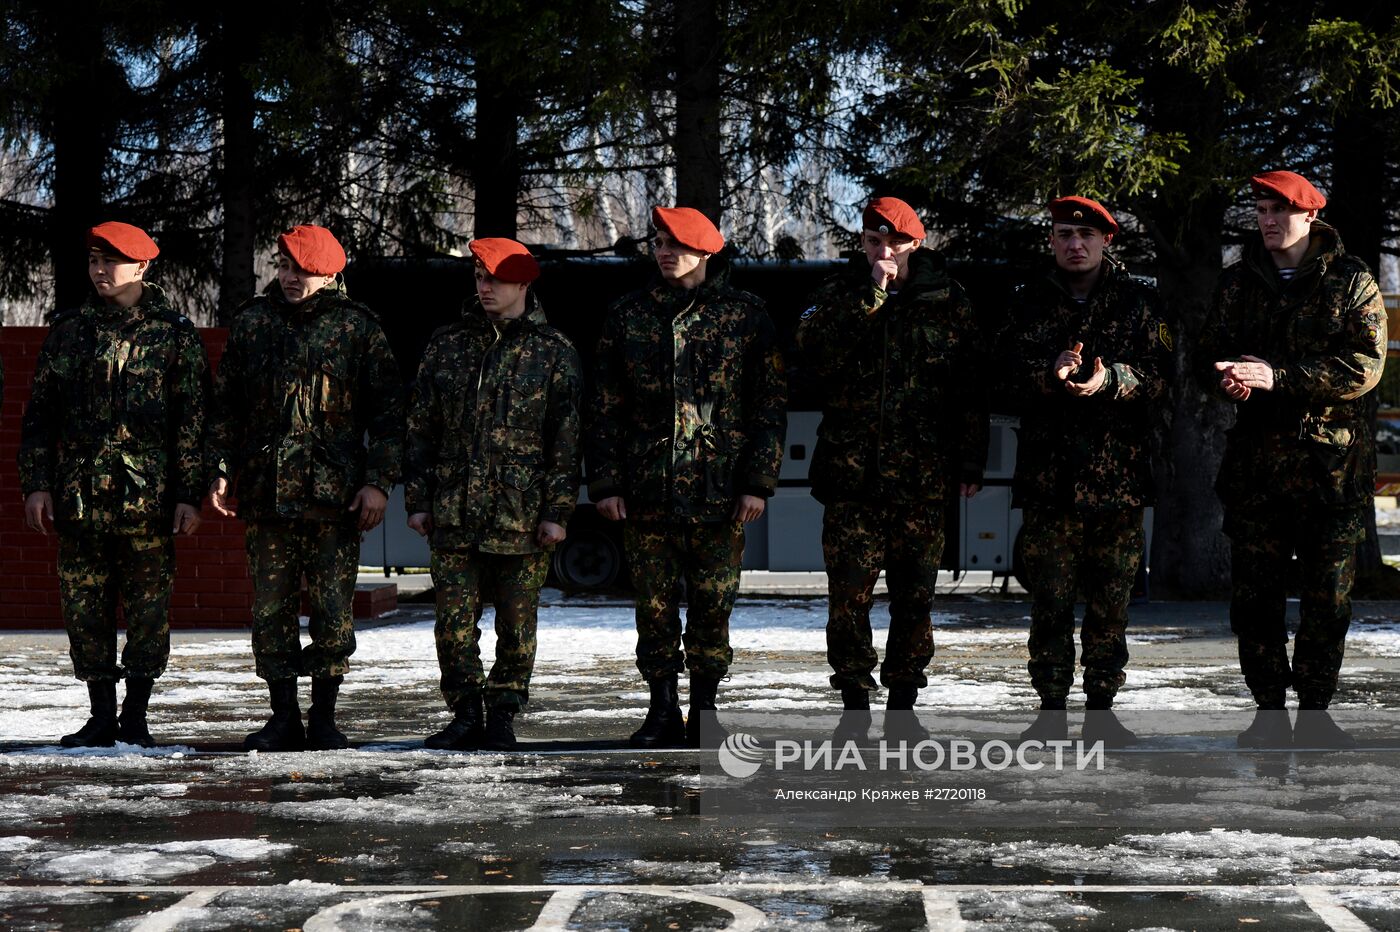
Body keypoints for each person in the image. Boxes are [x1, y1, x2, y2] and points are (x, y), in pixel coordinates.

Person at [1199, 170, 1386, 749]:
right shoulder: (1237, 284)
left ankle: (1315, 711)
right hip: (1258, 472)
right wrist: (1227, 379)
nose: (1268, 220)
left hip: (1330, 473)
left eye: (1280, 210)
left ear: (1310, 216)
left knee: (1328, 599)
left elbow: (1363, 367)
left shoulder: (1351, 281)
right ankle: (1268, 712)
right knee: (1255, 600)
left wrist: (1278, 377)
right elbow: (1211, 354)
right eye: (1261, 210)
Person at [587, 206, 786, 748]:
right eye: (658, 243)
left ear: (705, 250)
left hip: (720, 491)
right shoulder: (628, 314)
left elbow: (767, 406)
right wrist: (605, 483)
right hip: (648, 488)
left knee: (712, 605)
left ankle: (704, 710)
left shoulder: (746, 315)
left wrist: (758, 482)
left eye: (675, 244)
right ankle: (660, 710)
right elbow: (605, 405)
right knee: (652, 608)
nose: (664, 252)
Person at [206, 224, 404, 752]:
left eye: (304, 270)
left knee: (332, 610)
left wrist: (378, 483)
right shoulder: (253, 323)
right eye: (285, 266)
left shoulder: (358, 329)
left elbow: (388, 417)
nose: (291, 278)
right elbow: (226, 407)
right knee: (270, 609)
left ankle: (325, 717)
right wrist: (222, 468)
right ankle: (282, 716)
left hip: (333, 498)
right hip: (268, 493)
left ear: (331, 272)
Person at [796, 196, 988, 733]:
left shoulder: (950, 302)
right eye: (874, 242)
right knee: (848, 597)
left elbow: (971, 389)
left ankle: (904, 702)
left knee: (915, 598)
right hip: (851, 478)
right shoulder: (837, 296)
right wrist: (870, 298)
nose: (885, 252)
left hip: (922, 480)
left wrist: (972, 459)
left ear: (915, 245)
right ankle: (855, 702)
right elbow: (811, 359)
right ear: (861, 243)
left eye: (896, 243)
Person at [19, 221, 209, 747]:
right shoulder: (70, 330)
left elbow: (193, 421)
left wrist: (189, 494)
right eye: (94, 260)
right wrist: (37, 485)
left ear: (142, 267)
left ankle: (137, 716)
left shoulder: (173, 333)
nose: (100, 270)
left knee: (149, 610)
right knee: (85, 607)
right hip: (80, 497)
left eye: (113, 261)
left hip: (149, 499)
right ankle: (101, 715)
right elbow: (40, 415)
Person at [1005, 196, 1172, 748]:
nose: (1074, 243)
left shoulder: (1139, 303)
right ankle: (1050, 710)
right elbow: (996, 379)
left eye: (1085, 235)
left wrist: (1110, 380)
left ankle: (1102, 710)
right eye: (1063, 233)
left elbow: (1162, 379)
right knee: (1048, 603)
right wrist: (1047, 374)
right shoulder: (1025, 302)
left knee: (1111, 606)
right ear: (1050, 240)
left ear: (1107, 241)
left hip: (1118, 482)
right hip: (1049, 483)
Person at [405, 237, 582, 751]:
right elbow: (421, 429)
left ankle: (503, 712)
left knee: (517, 622)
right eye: (478, 277)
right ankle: (464, 712)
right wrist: (418, 500)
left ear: (523, 284)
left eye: (495, 279)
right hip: (454, 510)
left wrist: (558, 511)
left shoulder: (553, 352)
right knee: (453, 624)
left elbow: (565, 439)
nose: (484, 287)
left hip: (521, 512)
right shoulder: (447, 344)